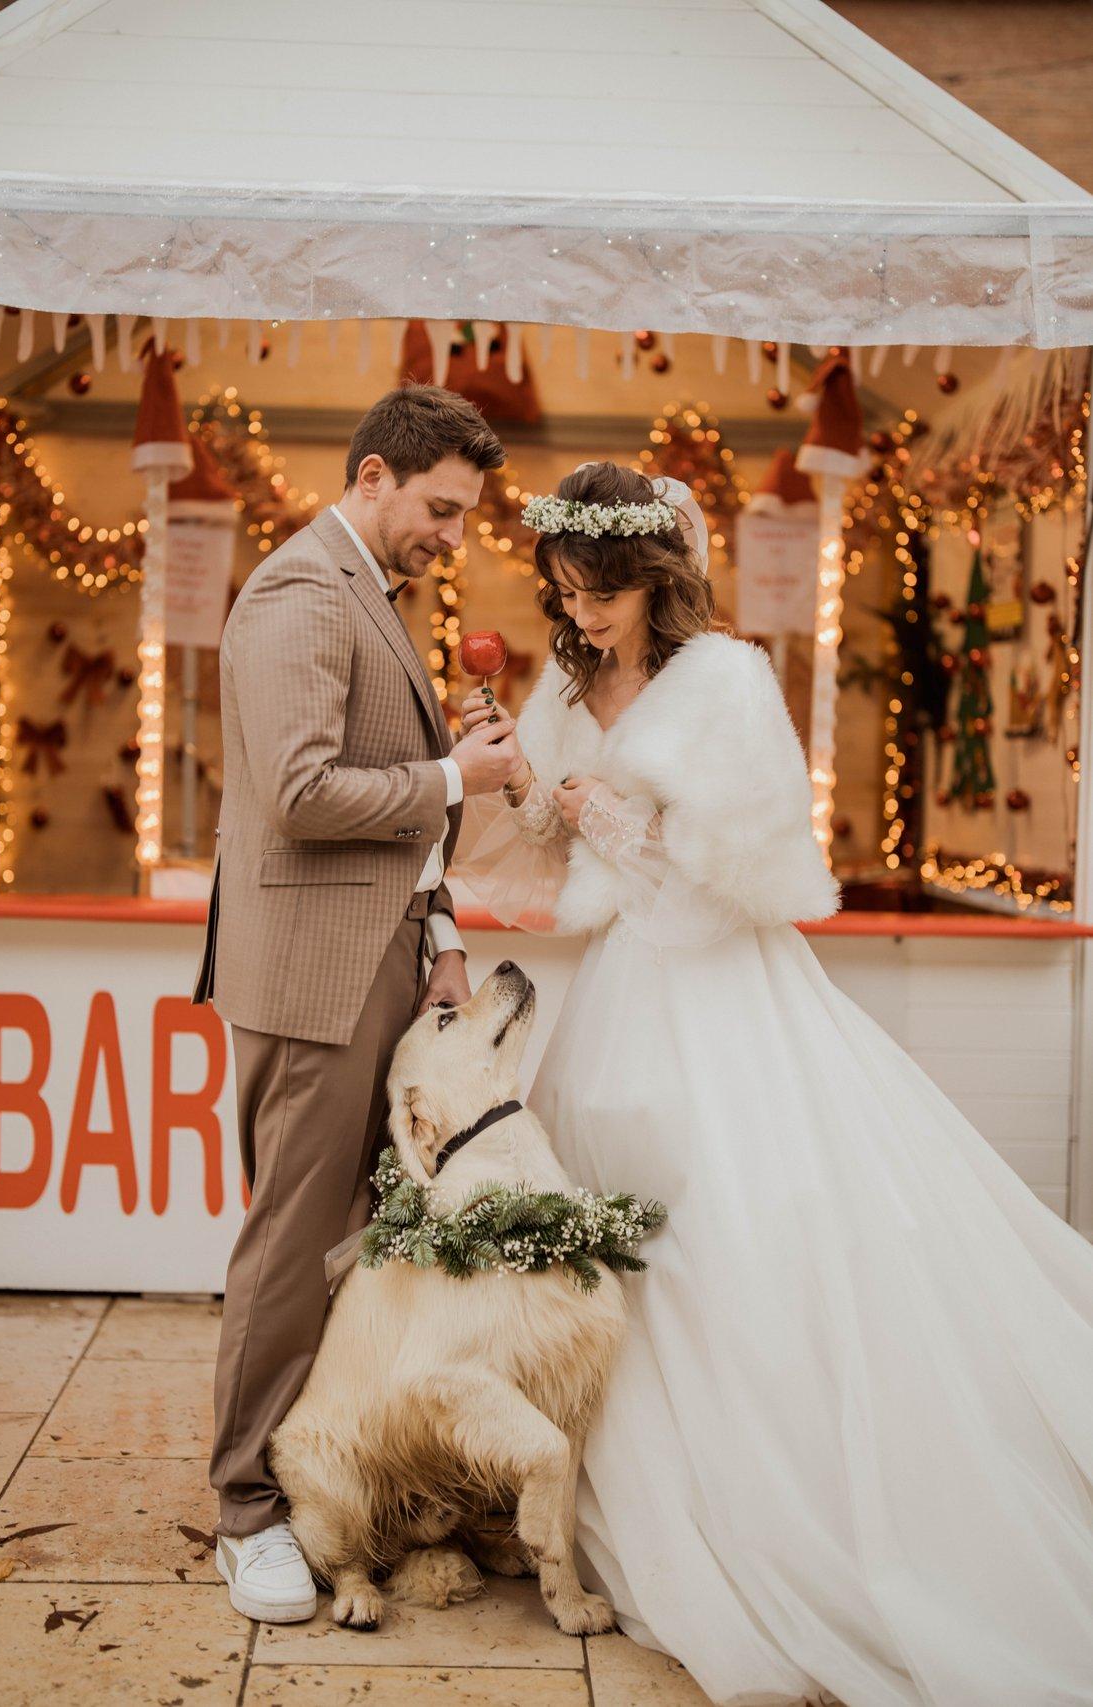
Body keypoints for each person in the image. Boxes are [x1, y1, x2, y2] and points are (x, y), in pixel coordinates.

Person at [455, 460, 1093, 1707]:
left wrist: (615, 823)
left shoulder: (726, 681)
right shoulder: (569, 680)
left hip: (720, 987)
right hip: (621, 991)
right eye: (565, 591)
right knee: (612, 1238)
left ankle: (756, 1502)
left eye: (600, 594)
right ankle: (595, 1490)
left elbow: (743, 870)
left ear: (653, 577)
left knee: (734, 1230)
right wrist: (519, 778)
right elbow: (537, 838)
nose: (579, 615)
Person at [192, 385, 522, 1623]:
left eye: (463, 513)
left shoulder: (372, 597)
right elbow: (297, 793)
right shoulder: (294, 593)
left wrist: (439, 933)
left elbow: (401, 825)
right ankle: (245, 1512)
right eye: (440, 508)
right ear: (373, 476)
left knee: (365, 1251)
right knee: (290, 1248)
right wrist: (455, 772)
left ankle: (348, 1478)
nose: (453, 534)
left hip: (382, 961)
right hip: (311, 980)